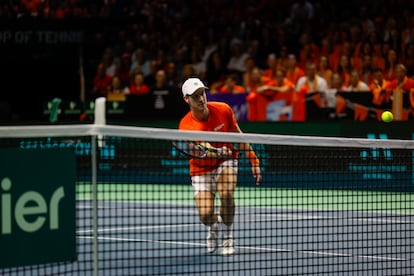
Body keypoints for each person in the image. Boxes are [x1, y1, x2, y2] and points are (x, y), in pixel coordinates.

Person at [178, 77, 262, 256]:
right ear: (186, 99)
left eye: (202, 94)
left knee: (226, 194)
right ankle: (213, 226)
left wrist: (253, 160)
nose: (201, 99)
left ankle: (228, 235)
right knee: (205, 215)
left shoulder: (223, 109)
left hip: (226, 161)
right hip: (201, 170)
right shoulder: (186, 126)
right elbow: (205, 148)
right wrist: (217, 151)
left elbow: (237, 136)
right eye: (195, 96)